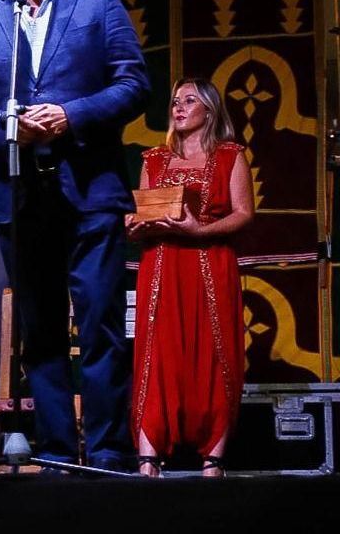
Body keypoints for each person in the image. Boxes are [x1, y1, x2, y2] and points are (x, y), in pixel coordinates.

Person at [0, 0, 149, 471]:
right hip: (20, 195)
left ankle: (109, 453)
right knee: (39, 332)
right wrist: (10, 125)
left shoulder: (98, 4)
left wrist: (72, 116)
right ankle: (60, 452)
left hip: (90, 190)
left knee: (101, 326)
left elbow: (134, 83)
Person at [127, 79, 253, 478]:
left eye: (189, 101)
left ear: (210, 111)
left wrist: (200, 231)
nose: (178, 108)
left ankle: (213, 457)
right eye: (175, 101)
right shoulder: (154, 160)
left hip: (209, 263)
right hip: (162, 264)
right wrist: (135, 225)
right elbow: (145, 210)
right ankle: (148, 454)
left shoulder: (231, 156)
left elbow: (243, 213)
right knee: (157, 352)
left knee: (213, 352)